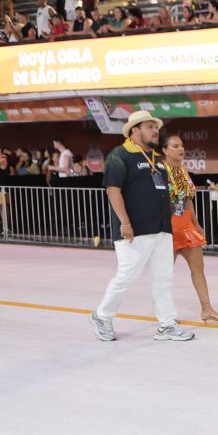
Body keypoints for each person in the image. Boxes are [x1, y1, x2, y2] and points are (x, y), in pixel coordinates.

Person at [90, 111, 194, 342]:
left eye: (155, 127)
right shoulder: (119, 155)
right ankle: (102, 316)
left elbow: (160, 191)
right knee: (126, 276)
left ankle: (167, 324)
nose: (155, 131)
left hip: (161, 229)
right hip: (134, 230)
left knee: (163, 278)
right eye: (150, 127)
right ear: (135, 131)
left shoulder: (157, 158)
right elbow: (113, 190)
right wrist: (125, 222)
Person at [159, 135, 218, 323]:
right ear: (165, 150)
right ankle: (166, 314)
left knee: (198, 268)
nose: (181, 148)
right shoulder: (159, 171)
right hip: (167, 228)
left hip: (186, 226)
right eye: (175, 146)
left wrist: (196, 224)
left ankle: (207, 309)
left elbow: (187, 199)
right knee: (164, 274)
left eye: (181, 145)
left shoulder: (182, 171)